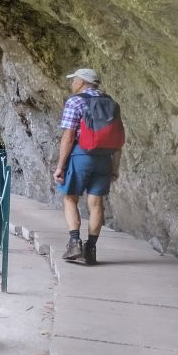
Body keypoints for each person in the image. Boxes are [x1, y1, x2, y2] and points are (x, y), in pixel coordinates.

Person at [53, 68, 122, 265]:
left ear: (82, 82)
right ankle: (90, 250)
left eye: (74, 80)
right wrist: (115, 167)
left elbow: (68, 136)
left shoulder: (75, 101)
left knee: (70, 198)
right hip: (104, 158)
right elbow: (117, 139)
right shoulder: (111, 104)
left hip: (81, 155)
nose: (72, 83)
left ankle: (75, 244)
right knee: (97, 203)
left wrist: (60, 166)